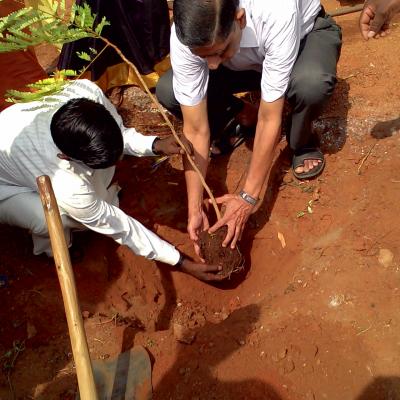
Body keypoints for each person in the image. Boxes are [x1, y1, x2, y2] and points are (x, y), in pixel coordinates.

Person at [156, 0, 342, 254]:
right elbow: (195, 129)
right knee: (169, 91)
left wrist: (246, 199)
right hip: (245, 63)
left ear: (240, 19)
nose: (211, 64)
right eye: (203, 56)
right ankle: (239, 116)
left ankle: (302, 141)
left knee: (311, 85)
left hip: (300, 40)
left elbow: (270, 118)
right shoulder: (188, 31)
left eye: (218, 51)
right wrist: (195, 209)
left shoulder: (277, 9)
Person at [0, 79, 223, 282]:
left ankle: (101, 196)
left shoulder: (86, 91)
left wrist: (156, 145)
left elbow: (119, 133)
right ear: (66, 157)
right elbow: (120, 227)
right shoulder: (64, 184)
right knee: (52, 219)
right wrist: (181, 262)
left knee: (95, 190)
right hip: (6, 187)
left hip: (31, 151)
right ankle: (51, 250)